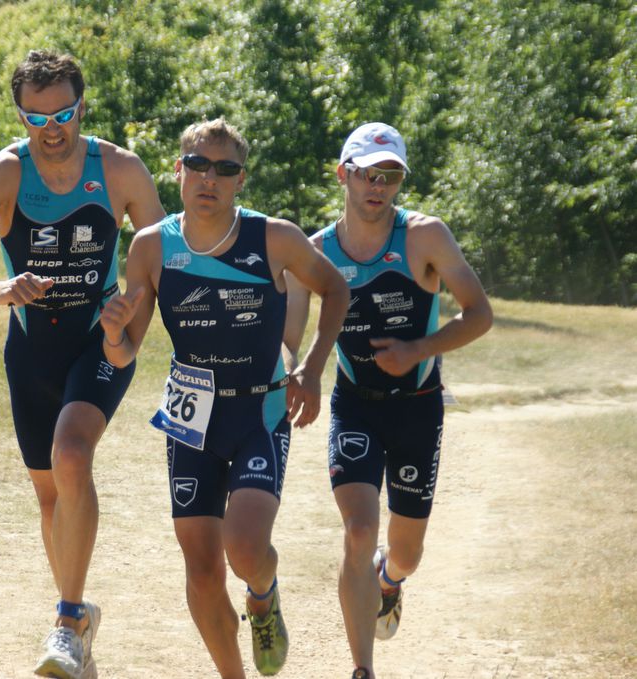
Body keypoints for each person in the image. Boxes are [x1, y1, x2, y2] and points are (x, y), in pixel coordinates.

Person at [0, 50, 164, 679]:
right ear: (20, 114)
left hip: (99, 341)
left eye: (64, 113)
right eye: (37, 117)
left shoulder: (120, 170)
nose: (52, 128)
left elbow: (166, 255)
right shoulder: (4, 174)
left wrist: (129, 324)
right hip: (30, 350)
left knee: (73, 452)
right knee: (51, 496)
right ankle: (80, 621)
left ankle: (65, 618)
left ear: (83, 107)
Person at [100, 118, 349, 678]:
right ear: (178, 170)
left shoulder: (274, 238)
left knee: (244, 548)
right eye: (197, 164)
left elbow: (337, 288)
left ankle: (263, 595)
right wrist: (114, 332)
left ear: (241, 180)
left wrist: (309, 368)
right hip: (192, 415)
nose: (209, 178)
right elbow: (123, 355)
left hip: (259, 409)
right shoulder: (149, 247)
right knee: (202, 567)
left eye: (225, 168)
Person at [286, 122, 493, 679]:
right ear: (343, 175)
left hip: (418, 406)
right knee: (358, 530)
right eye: (366, 173)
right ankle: (362, 670)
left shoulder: (425, 237)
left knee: (406, 553)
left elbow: (480, 313)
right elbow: (291, 335)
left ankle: (390, 581)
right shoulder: (316, 251)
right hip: (355, 403)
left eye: (390, 176)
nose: (378, 186)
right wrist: (295, 373)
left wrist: (418, 348)